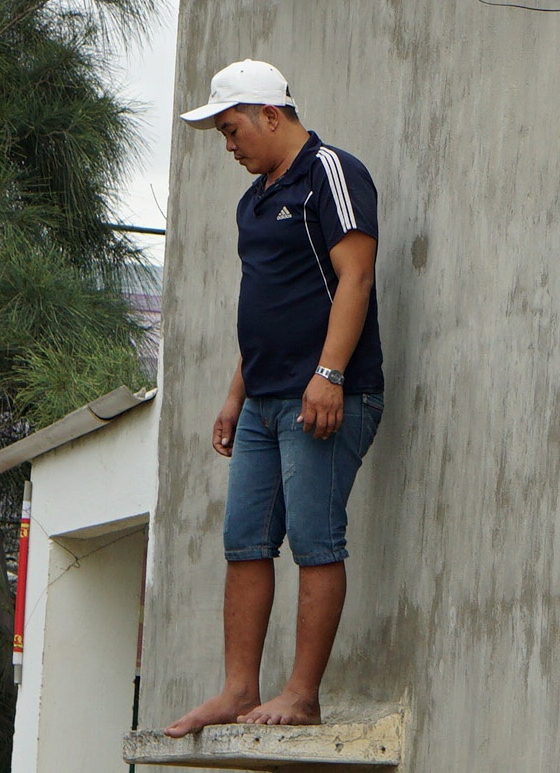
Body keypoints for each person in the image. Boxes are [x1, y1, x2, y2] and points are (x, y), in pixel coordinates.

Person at [163, 60, 384, 736]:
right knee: (244, 541)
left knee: (315, 540)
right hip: (262, 399)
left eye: (232, 130)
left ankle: (301, 694)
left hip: (324, 396)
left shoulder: (332, 174)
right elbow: (264, 306)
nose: (229, 146)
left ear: (270, 113)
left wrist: (330, 376)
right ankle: (237, 689)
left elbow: (357, 276)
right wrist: (235, 395)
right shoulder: (253, 201)